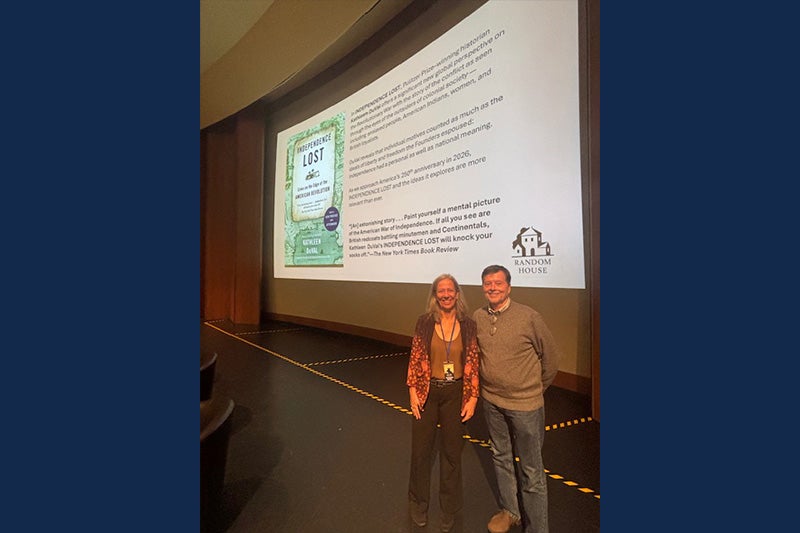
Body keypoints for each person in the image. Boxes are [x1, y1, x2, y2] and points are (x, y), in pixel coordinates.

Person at [473, 265, 562, 533]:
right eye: (488, 283)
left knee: (532, 471)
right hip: (491, 402)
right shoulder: (478, 316)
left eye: (498, 283)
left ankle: (537, 528)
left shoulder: (529, 317)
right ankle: (511, 511)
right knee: (501, 457)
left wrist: (532, 389)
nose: (493, 288)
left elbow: (551, 360)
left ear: (509, 287)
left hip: (526, 406)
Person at [406, 274, 480, 532]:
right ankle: (418, 502)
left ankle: (449, 509)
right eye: (441, 291)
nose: (446, 294)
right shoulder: (424, 323)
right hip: (428, 392)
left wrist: (473, 396)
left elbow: (472, 362)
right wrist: (413, 390)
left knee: (452, 455)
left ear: (457, 293)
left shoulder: (469, 325)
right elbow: (416, 357)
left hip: (455, 393)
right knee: (420, 452)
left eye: (450, 290)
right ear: (435, 295)